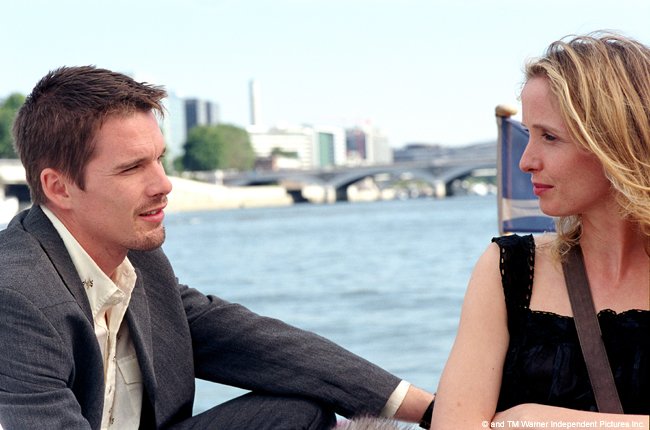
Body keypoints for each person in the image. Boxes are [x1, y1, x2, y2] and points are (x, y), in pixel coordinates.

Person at [0, 66, 434, 430]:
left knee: (297, 413)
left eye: (159, 159)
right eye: (132, 168)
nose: (164, 184)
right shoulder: (16, 295)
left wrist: (430, 410)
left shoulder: (136, 258)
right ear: (59, 188)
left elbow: (254, 343)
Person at [430, 32, 649, 429]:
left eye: (549, 136)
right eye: (528, 133)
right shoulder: (508, 270)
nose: (526, 161)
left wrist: (533, 420)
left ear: (616, 143)